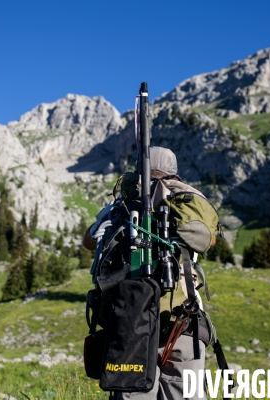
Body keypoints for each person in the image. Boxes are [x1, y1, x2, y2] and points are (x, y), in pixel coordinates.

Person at [83, 147, 208, 400]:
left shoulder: (123, 205)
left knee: (134, 392)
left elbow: (88, 240)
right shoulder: (186, 203)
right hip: (182, 319)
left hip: (131, 320)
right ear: (175, 173)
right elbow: (209, 240)